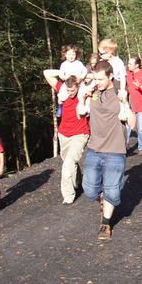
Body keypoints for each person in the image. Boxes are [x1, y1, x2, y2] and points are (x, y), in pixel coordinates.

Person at [80, 60, 136, 240]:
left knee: (112, 189)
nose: (97, 82)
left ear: (110, 76)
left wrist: (125, 104)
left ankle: (105, 223)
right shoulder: (93, 91)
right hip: (94, 148)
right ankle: (103, 201)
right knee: (89, 189)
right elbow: (80, 112)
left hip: (115, 150)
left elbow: (133, 124)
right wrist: (83, 97)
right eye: (95, 78)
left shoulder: (121, 91)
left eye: (100, 79)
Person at [43, 69, 90, 204]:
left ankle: (68, 196)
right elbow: (46, 73)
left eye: (72, 91)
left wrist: (81, 75)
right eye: (68, 91)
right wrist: (65, 72)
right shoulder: (62, 90)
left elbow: (96, 77)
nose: (70, 94)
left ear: (78, 86)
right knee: (69, 163)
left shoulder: (84, 92)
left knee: (68, 163)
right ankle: (77, 182)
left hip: (80, 133)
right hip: (64, 134)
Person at [56, 45, 87, 118]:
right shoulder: (64, 64)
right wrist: (64, 77)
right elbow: (61, 73)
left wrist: (81, 77)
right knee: (61, 95)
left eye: (73, 54)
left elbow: (84, 71)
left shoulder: (78, 63)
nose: (71, 56)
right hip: (67, 83)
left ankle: (84, 109)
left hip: (78, 83)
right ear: (65, 55)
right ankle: (60, 107)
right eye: (69, 54)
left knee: (82, 95)